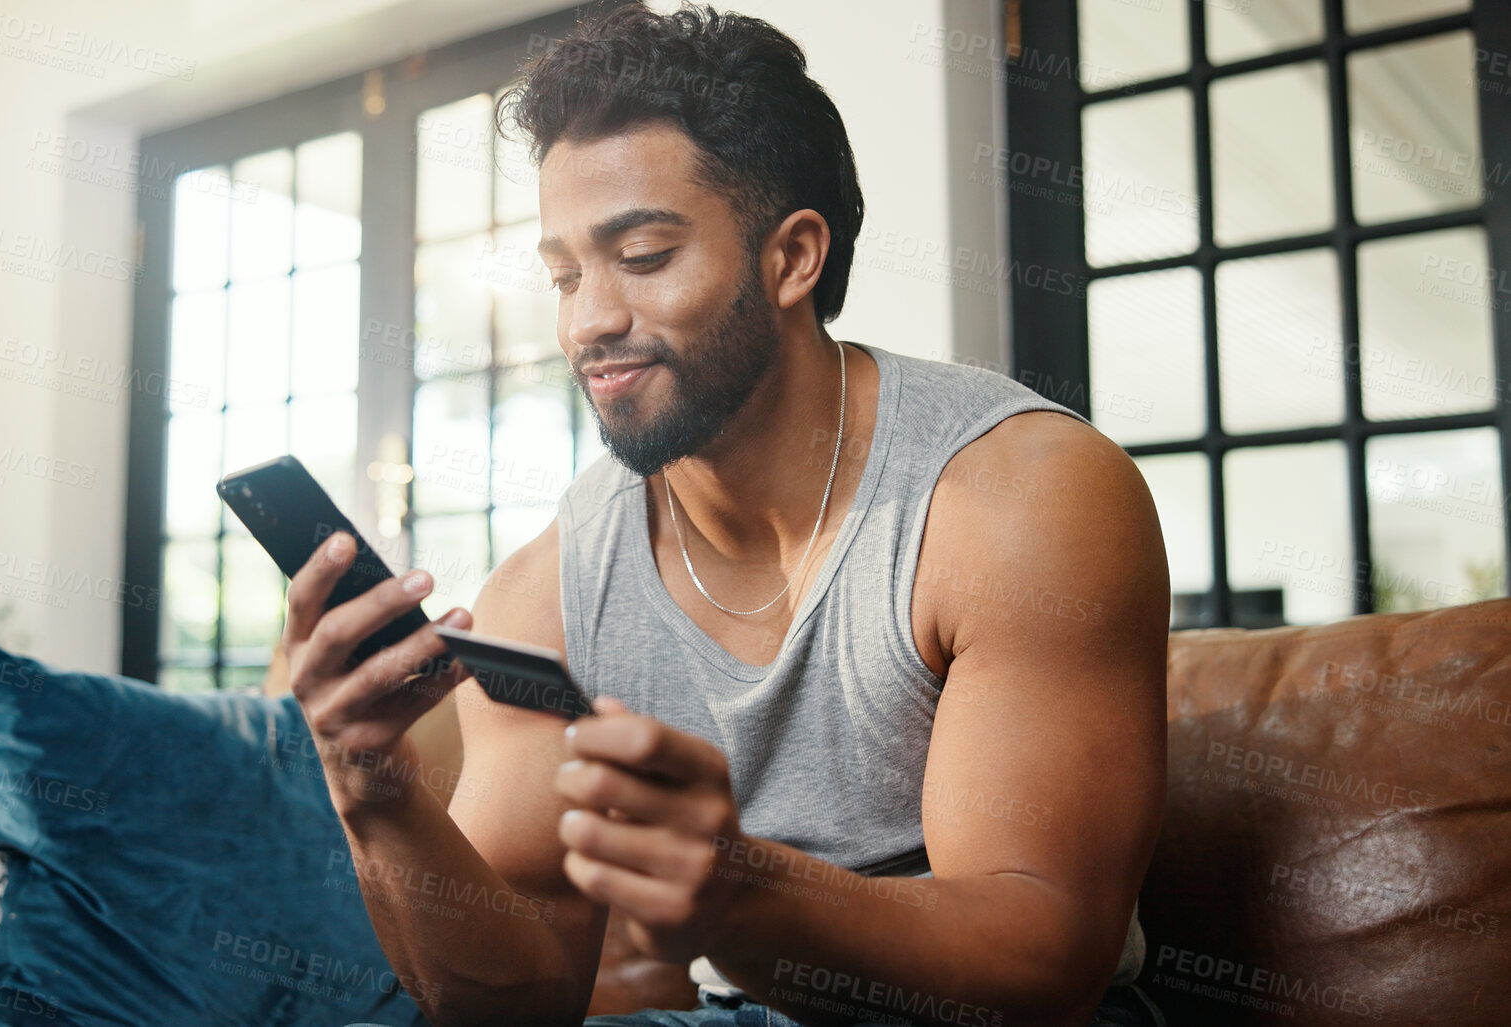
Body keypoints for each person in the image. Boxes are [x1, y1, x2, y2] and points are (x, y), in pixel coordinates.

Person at [287, 4, 1170, 1025]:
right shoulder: (552, 589)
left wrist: (739, 887)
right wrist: (374, 791)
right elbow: (513, 1008)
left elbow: (1047, 966)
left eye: (643, 255)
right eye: (565, 275)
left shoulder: (1021, 499)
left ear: (791, 258)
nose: (587, 322)